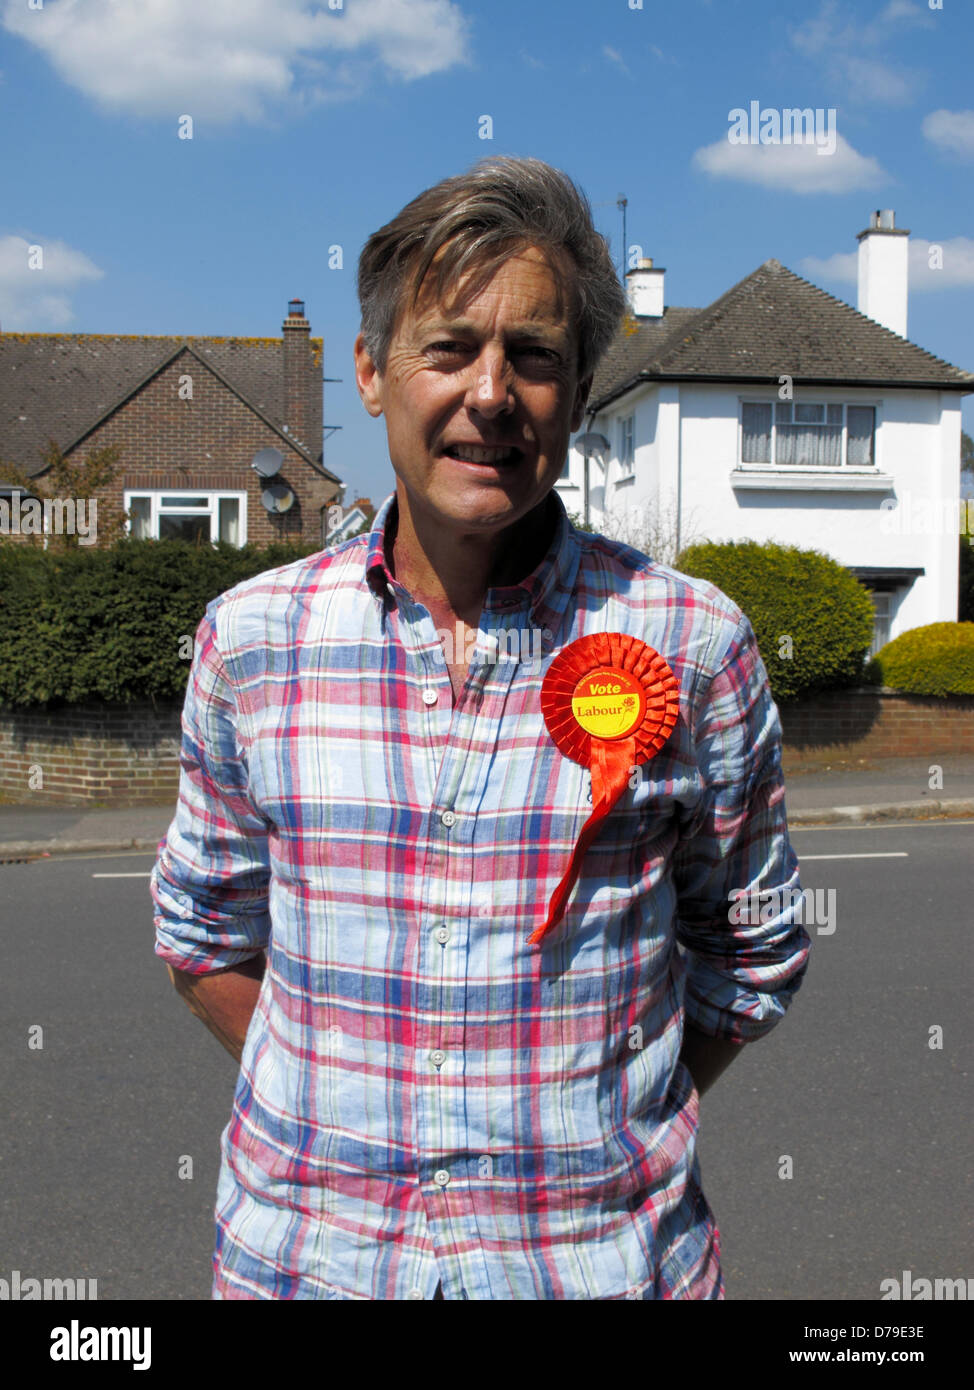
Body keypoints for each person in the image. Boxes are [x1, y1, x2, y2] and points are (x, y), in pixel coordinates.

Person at [152, 155, 811, 1301]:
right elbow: (203, 930)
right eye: (448, 347)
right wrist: (328, 1091)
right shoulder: (250, 641)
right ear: (369, 371)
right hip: (307, 1269)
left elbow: (749, 950)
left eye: (536, 356)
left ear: (580, 385)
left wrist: (609, 1114)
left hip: (601, 1271)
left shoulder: (694, 644)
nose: (492, 393)